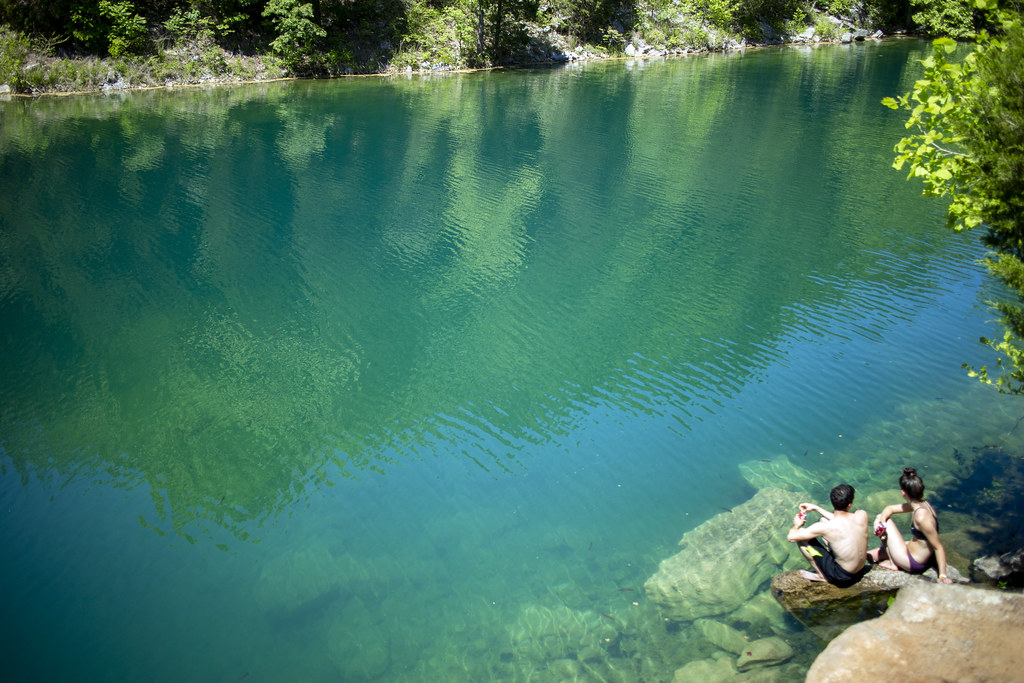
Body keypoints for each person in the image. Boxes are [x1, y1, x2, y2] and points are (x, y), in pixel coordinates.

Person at [867, 467, 953, 584]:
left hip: (914, 561)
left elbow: (938, 546)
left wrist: (942, 575)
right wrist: (881, 523)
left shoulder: (921, 517)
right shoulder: (922, 504)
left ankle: (893, 564)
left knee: (884, 521)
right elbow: (890, 508)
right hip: (912, 550)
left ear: (903, 492)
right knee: (871, 555)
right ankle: (886, 559)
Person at [787, 484, 869, 586]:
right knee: (824, 519)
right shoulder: (862, 515)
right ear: (849, 504)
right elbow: (841, 521)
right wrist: (817, 508)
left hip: (841, 576)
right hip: (860, 570)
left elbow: (791, 537)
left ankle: (821, 575)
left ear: (832, 502)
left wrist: (796, 526)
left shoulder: (825, 527)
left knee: (802, 538)